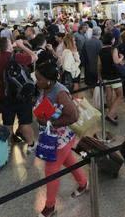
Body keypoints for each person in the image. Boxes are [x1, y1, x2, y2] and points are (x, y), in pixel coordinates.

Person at [34, 62, 88, 217]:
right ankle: (83, 183)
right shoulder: (47, 88)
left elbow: (74, 115)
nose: (37, 81)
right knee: (68, 160)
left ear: (48, 80)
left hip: (61, 139)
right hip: (55, 136)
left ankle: (49, 207)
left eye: (39, 79)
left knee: (51, 171)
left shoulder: (60, 92)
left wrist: (51, 122)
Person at [0, 38, 37, 149]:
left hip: (5, 98)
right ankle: (31, 145)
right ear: (9, 46)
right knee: (25, 124)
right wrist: (21, 45)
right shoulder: (17, 57)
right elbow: (34, 57)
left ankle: (7, 147)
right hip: (22, 97)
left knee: (8, 125)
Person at [98, 32, 123, 126]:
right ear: (111, 40)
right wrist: (122, 58)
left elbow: (99, 64)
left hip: (105, 75)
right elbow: (116, 61)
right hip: (114, 75)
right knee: (120, 95)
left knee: (109, 95)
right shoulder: (113, 49)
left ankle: (111, 112)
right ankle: (111, 114)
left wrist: (99, 76)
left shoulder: (101, 50)